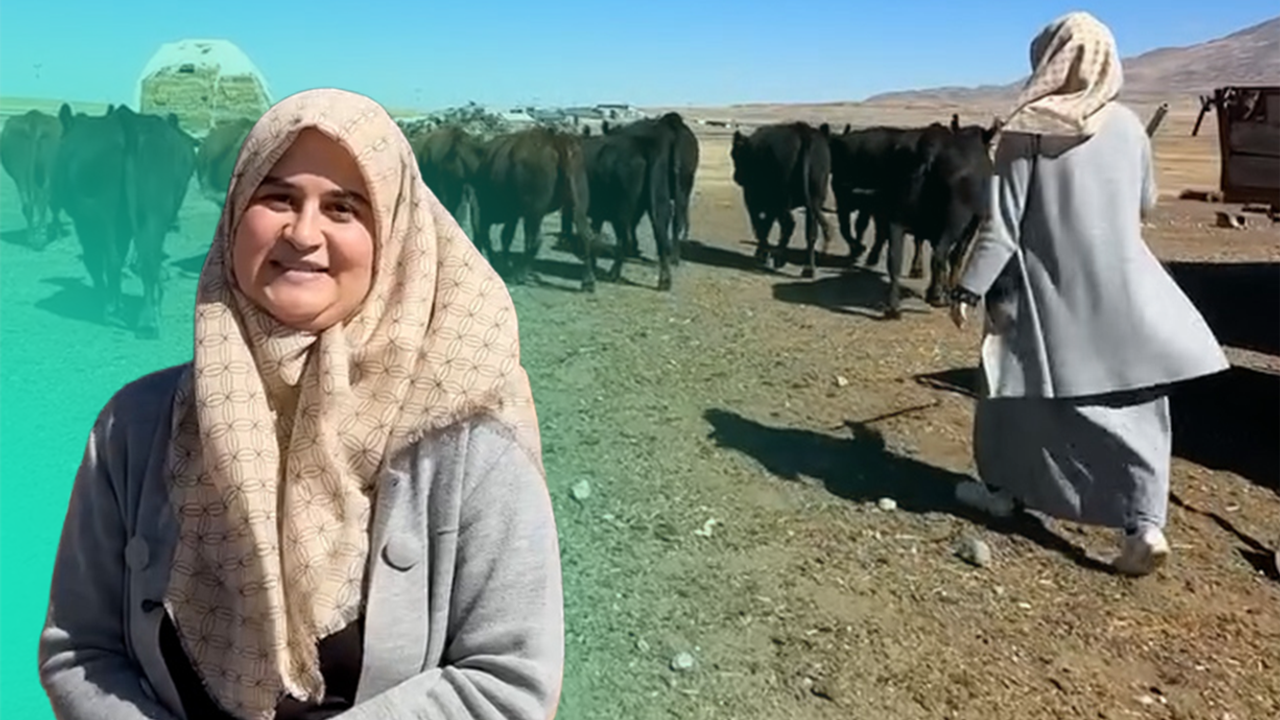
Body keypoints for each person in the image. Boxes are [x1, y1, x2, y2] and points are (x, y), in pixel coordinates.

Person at [38, 88, 564, 720]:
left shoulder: (464, 437)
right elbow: (81, 650)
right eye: (278, 198)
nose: (304, 233)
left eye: (344, 207)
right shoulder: (135, 427)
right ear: (235, 215)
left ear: (394, 236)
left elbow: (507, 682)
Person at [947, 11, 1230, 576]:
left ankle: (1000, 490)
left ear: (1050, 59)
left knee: (1007, 391)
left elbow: (1002, 228)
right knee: (1136, 406)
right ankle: (1144, 525)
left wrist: (967, 286)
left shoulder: (1028, 128)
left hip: (1044, 293)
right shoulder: (1127, 126)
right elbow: (1145, 204)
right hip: (1127, 289)